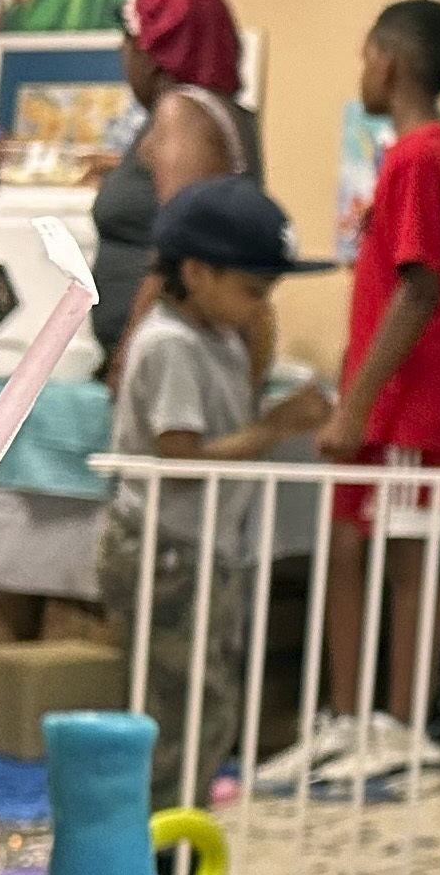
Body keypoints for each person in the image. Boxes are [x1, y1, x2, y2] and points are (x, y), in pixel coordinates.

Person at [100, 175, 331, 805]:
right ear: (196, 273)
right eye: (252, 290)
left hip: (199, 547)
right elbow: (182, 457)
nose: (262, 305)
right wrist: (276, 428)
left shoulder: (220, 337)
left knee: (209, 701)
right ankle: (159, 836)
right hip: (164, 550)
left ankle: (181, 819)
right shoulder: (171, 345)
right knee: (179, 703)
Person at [313, 0, 440, 770]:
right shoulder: (418, 153)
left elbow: (419, 288)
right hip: (379, 406)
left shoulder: (421, 156)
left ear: (390, 59)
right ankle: (349, 719)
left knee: (409, 564)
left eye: (366, 54)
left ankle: (405, 730)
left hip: (408, 407)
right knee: (348, 551)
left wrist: (354, 403)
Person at [88, 0, 265, 371]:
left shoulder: (182, 115)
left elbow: (179, 249)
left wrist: (127, 355)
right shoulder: (225, 115)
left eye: (127, 44)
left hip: (165, 358)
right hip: (181, 352)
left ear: (151, 52)